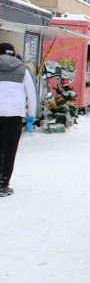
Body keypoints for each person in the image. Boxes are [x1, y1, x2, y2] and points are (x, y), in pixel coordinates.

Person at [0, 43, 37, 197]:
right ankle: (3, 185)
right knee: (9, 150)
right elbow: (31, 94)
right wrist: (31, 115)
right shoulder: (23, 69)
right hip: (14, 116)